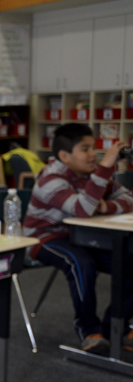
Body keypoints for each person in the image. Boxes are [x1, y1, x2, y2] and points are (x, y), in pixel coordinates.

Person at [23, 123, 133, 356]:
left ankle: (116, 327)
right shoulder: (50, 178)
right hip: (45, 237)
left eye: (94, 147)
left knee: (129, 260)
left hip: (82, 236)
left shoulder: (91, 176)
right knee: (80, 262)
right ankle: (89, 330)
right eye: (85, 149)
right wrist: (104, 168)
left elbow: (129, 198)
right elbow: (82, 210)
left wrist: (105, 206)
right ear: (64, 155)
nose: (94, 154)